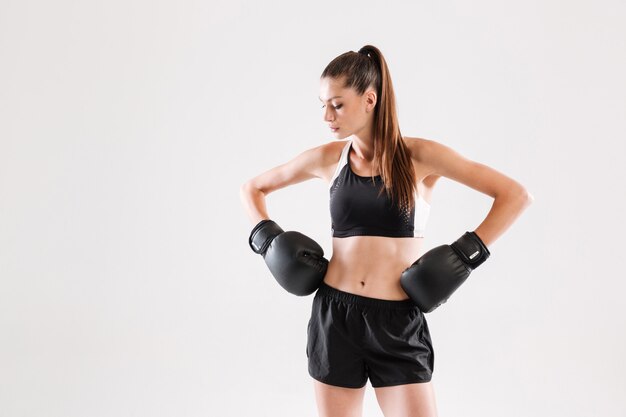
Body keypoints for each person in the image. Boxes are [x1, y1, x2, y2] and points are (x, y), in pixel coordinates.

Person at [240, 44, 533, 417]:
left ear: (370, 99)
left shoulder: (420, 157)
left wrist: (465, 255)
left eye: (337, 104)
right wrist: (267, 241)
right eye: (323, 105)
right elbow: (252, 188)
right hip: (335, 317)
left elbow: (514, 195)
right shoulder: (329, 159)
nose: (327, 116)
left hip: (397, 323)